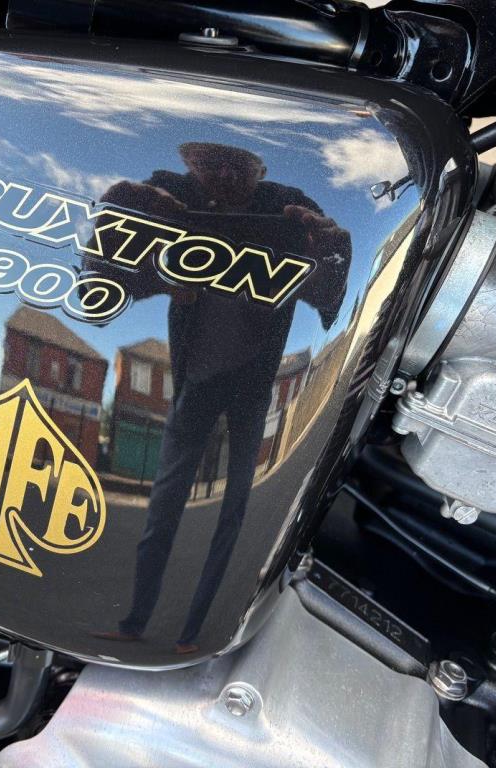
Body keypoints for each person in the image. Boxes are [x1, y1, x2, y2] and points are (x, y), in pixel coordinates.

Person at [93, 142, 350, 653]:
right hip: (196, 381)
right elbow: (104, 282)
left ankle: (196, 633)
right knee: (164, 504)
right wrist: (122, 208)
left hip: (257, 385)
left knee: (237, 512)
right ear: (191, 166)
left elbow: (327, 295)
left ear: (260, 170)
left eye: (239, 166)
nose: (225, 176)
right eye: (210, 165)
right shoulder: (172, 192)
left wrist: (334, 252)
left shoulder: (288, 204)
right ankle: (135, 623)